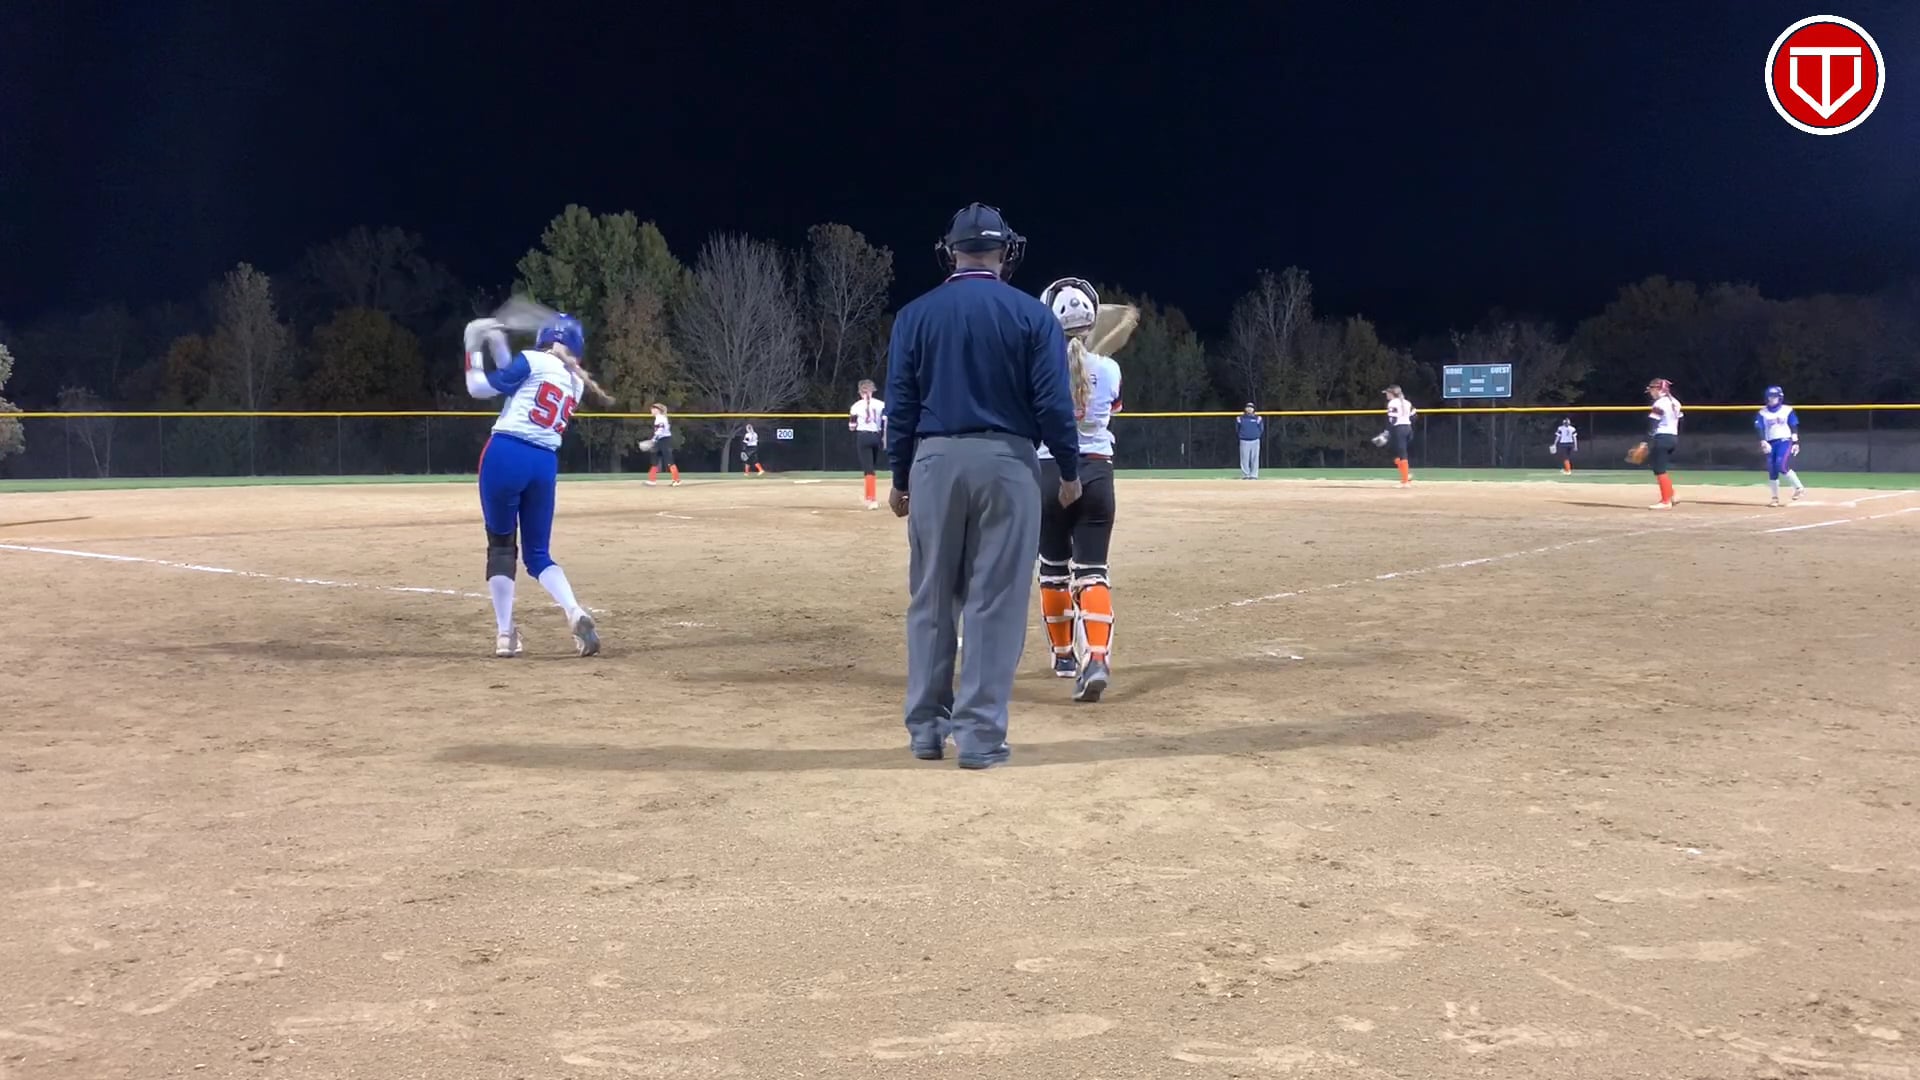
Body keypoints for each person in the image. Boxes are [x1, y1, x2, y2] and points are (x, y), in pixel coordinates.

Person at [885, 202, 1080, 769]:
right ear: (1005, 251)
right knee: (994, 601)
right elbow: (1053, 404)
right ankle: (979, 737)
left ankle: (926, 730)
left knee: (931, 599)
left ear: (951, 252)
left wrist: (899, 477)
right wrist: (1069, 470)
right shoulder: (1032, 316)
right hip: (1008, 463)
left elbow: (901, 406)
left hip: (934, 461)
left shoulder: (915, 316)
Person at [462, 312, 608, 658]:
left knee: (501, 548)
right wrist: (498, 342)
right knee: (538, 555)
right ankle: (574, 610)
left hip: (505, 454)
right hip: (543, 464)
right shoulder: (574, 382)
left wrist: (472, 345)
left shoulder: (532, 360)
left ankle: (504, 634)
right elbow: (518, 381)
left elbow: (479, 388)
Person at [1035, 277, 1123, 702]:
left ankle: (1064, 656)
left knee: (1053, 571)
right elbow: (1112, 407)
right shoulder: (1110, 369)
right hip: (1097, 472)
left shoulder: (1036, 367)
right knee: (1093, 572)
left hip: (1049, 471)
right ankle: (1098, 659)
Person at [1755, 385, 1805, 506]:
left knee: (1781, 465)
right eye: (1769, 397)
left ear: (1780, 398)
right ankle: (1775, 498)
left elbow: (1793, 425)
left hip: (1784, 441)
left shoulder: (1787, 410)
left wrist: (1795, 442)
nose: (1771, 399)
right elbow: (1759, 427)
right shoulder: (1763, 412)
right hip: (1770, 442)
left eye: (1774, 397)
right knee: (1772, 469)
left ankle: (1798, 488)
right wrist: (1763, 441)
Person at [1639, 377, 1683, 510]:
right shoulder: (1675, 402)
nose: (1651, 393)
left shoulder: (1659, 404)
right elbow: (1681, 419)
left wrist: (1644, 442)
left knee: (1659, 469)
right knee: (1659, 466)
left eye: (1652, 390)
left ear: (1659, 389)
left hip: (1662, 438)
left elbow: (1652, 425)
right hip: (1673, 437)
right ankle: (1673, 495)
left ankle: (1666, 501)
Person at [849, 379, 886, 509]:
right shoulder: (881, 404)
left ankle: (871, 498)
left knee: (868, 468)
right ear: (873, 391)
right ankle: (869, 495)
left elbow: (852, 426)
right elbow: (885, 421)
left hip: (863, 436)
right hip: (877, 436)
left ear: (860, 392)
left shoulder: (856, 406)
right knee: (872, 466)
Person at [641, 403, 681, 486]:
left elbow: (660, 431)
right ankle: (652, 480)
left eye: (653, 409)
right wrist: (654, 440)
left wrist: (653, 440)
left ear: (657, 410)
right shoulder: (658, 418)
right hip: (660, 440)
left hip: (664, 440)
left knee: (668, 459)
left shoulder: (660, 419)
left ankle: (676, 480)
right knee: (654, 459)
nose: (651, 411)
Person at [1383, 385, 1416, 486]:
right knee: (1397, 455)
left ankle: (1405, 481)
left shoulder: (1392, 403)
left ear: (1392, 394)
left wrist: (1387, 431)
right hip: (1408, 429)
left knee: (1402, 455)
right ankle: (1407, 475)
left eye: (1387, 393)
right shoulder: (1407, 402)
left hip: (1399, 429)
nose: (1386, 395)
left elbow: (1392, 420)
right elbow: (1414, 416)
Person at [1236, 403, 1264, 479]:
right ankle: (1246, 475)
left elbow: (1261, 429)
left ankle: (1254, 475)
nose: (1249, 409)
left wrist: (1256, 435)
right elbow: (1237, 429)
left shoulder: (1258, 418)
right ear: (1245, 409)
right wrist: (1242, 435)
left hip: (1255, 440)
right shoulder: (1240, 418)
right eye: (1248, 407)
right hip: (1244, 440)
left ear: (1253, 409)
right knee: (1244, 459)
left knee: (1255, 459)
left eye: (1251, 407)